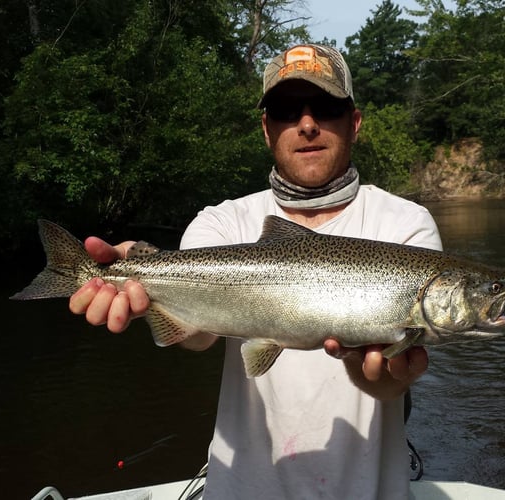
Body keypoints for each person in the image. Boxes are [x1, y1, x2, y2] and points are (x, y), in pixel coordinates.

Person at [69, 44, 443, 499]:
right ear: (267, 129)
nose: (307, 124)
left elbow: (388, 384)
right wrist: (141, 281)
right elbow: (199, 333)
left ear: (355, 122)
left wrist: (384, 374)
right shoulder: (222, 222)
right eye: (287, 110)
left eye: (325, 107)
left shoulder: (405, 224)